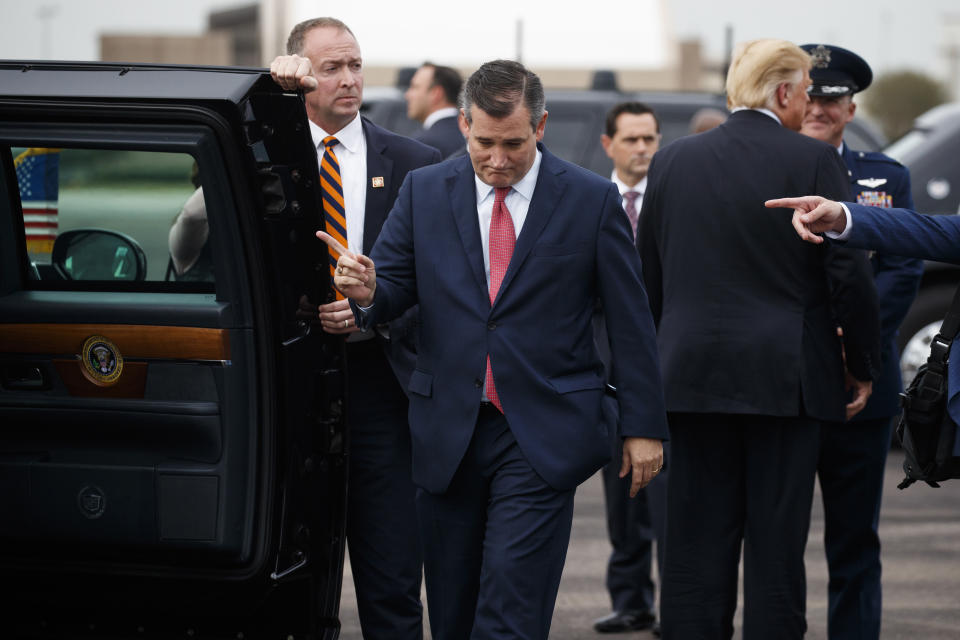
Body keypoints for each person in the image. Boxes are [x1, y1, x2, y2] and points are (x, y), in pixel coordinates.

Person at [321, 59, 668, 640]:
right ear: (462, 125)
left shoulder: (588, 199)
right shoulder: (426, 190)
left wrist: (644, 426)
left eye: (514, 143)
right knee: (454, 615)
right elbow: (394, 290)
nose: (499, 159)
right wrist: (368, 288)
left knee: (509, 614)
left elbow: (631, 322)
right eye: (485, 142)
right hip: (446, 430)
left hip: (541, 432)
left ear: (541, 125)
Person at [636, 39, 881, 639]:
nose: (806, 104)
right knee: (776, 552)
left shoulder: (672, 162)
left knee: (691, 551)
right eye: (802, 90)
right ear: (781, 92)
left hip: (688, 381)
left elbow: (648, 279)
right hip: (786, 384)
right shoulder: (815, 162)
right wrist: (862, 364)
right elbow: (847, 275)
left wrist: (653, 368)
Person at [270, 17, 440, 640]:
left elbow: (442, 286)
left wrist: (375, 308)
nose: (349, 79)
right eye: (331, 67)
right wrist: (270, 89)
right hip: (289, 385)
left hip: (380, 387)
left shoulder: (418, 164)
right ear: (301, 73)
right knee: (288, 574)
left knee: (392, 576)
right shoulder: (268, 151)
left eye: (356, 65)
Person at [799, 43, 923, 640]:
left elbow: (903, 268)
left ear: (851, 108)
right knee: (780, 539)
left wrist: (856, 336)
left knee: (855, 538)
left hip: (865, 381)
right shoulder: (773, 169)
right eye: (812, 97)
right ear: (792, 101)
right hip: (794, 379)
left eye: (833, 99)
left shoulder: (885, 176)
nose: (821, 109)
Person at [592, 101, 667, 635]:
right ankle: (630, 599)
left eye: (650, 139)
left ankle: (682, 601)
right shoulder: (589, 202)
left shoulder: (672, 201)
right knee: (624, 498)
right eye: (632, 139)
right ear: (608, 144)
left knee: (673, 497)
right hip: (609, 373)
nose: (642, 148)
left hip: (670, 368)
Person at [404, 62, 465, 159]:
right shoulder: (471, 135)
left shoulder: (421, 144)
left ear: (436, 93)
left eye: (415, 87)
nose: (407, 95)